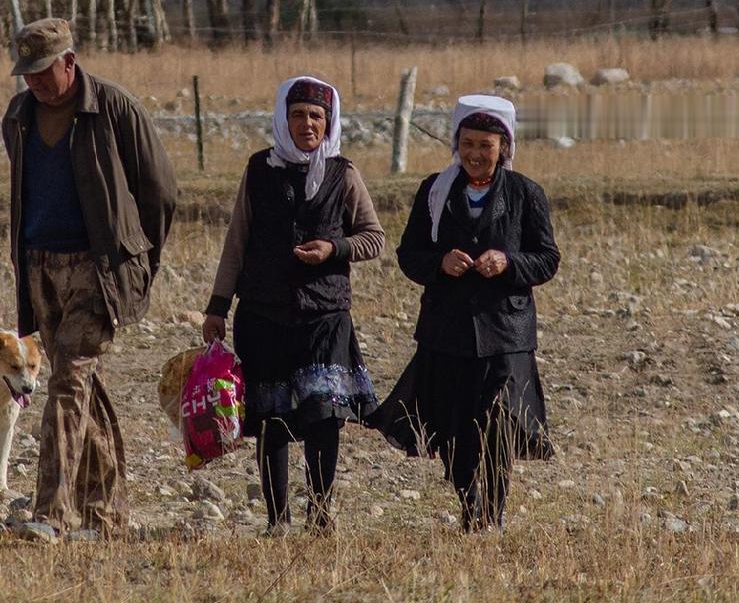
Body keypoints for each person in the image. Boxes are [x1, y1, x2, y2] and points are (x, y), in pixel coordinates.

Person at [2, 18, 177, 537]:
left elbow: (161, 192)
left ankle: (51, 515)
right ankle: (107, 514)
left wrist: (138, 259)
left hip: (97, 271)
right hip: (40, 267)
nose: (33, 81)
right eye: (26, 72)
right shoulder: (19, 116)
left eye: (42, 71)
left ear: (69, 63)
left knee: (66, 383)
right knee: (78, 387)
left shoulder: (114, 107)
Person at [202, 76, 383, 534]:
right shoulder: (259, 169)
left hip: (324, 315)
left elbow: (373, 237)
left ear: (329, 122)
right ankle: (277, 520)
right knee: (272, 417)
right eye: (298, 114)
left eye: (316, 116)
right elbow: (237, 240)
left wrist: (334, 249)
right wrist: (217, 307)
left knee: (323, 416)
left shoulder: (344, 173)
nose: (307, 124)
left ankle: (320, 517)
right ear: (284, 119)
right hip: (263, 313)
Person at [373, 93, 558, 530]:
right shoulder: (435, 192)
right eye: (468, 143)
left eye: (486, 145)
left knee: (498, 420)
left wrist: (508, 263)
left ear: (504, 148)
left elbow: (547, 259)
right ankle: (469, 505)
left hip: (506, 331)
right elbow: (409, 254)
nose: (475, 154)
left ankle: (491, 512)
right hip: (447, 329)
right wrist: (440, 263)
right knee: (455, 426)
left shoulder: (525, 194)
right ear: (457, 144)